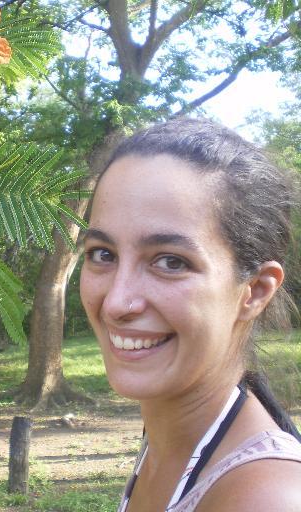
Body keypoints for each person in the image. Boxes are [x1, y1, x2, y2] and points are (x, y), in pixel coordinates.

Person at [80, 117, 301, 511]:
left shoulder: (267, 499)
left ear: (255, 291)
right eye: (103, 254)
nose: (116, 302)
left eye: (170, 261)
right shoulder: (170, 442)